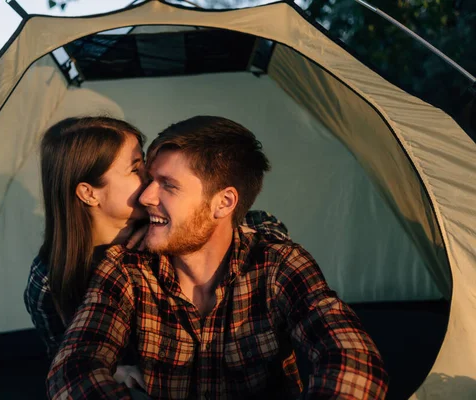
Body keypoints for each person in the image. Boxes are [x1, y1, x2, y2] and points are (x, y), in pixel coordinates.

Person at [46, 116, 389, 399]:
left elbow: (351, 357)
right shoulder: (125, 268)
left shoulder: (277, 265)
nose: (147, 196)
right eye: (148, 178)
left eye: (168, 184)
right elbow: (73, 368)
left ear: (223, 203)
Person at [24, 116, 293, 386]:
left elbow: (263, 222)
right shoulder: (49, 278)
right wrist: (114, 370)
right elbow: (62, 357)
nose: (150, 176)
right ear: (89, 193)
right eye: (135, 168)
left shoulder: (168, 235)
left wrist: (159, 229)